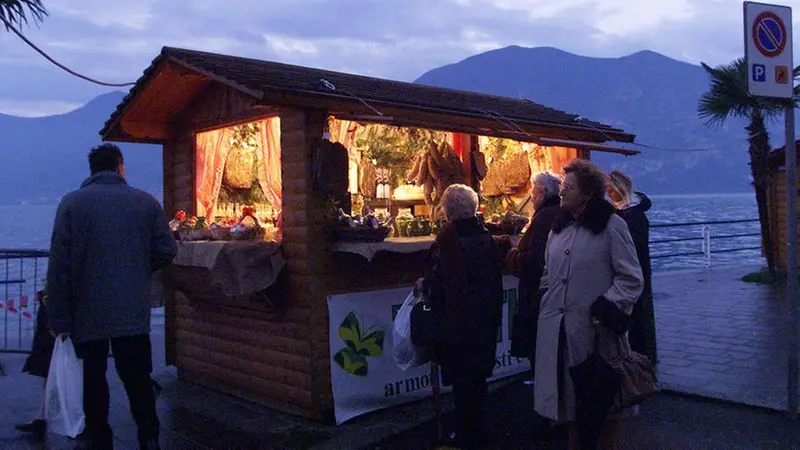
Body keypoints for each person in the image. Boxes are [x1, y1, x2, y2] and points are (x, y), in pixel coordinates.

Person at [46, 143, 177, 450]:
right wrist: (137, 269)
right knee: (137, 377)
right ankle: (149, 436)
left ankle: (100, 438)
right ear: (120, 166)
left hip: (87, 311)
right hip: (131, 310)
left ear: (92, 170)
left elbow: (59, 267)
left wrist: (58, 316)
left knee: (93, 378)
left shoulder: (71, 205)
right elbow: (166, 250)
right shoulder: (145, 203)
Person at [533, 159, 643, 450]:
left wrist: (606, 306)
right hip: (557, 336)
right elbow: (548, 272)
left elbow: (631, 278)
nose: (562, 192)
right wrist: (548, 299)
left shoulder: (611, 226)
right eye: (562, 186)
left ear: (587, 192)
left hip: (595, 336)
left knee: (601, 411)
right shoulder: (557, 228)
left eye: (569, 187)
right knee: (567, 410)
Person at [415, 184, 505, 449]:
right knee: (477, 383)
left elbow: (444, 287)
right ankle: (477, 433)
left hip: (458, 326)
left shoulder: (447, 242)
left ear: (446, 210)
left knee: (463, 386)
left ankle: (466, 437)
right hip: (484, 322)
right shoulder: (486, 237)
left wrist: (425, 285)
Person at [506, 171, 562, 379]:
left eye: (533, 190)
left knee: (540, 350)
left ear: (542, 192)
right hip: (550, 293)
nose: (531, 195)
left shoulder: (543, 218)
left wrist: (512, 254)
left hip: (538, 296)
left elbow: (533, 262)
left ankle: (544, 395)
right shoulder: (558, 213)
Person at [606, 169, 657, 366]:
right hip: (636, 272)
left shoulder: (633, 215)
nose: (609, 195)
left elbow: (634, 246)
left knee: (638, 320)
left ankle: (640, 360)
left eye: (611, 191)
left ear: (620, 189)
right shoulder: (629, 213)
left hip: (636, 273)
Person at [15, 288, 56, 438]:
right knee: (51, 377)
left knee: (56, 377)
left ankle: (43, 419)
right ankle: (41, 418)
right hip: (53, 333)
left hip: (57, 333)